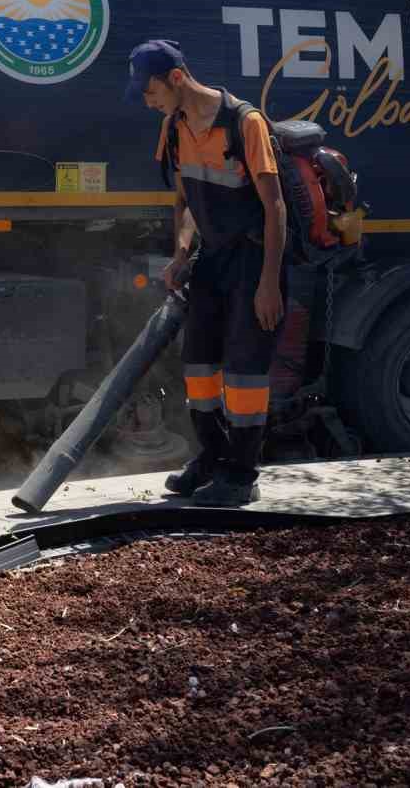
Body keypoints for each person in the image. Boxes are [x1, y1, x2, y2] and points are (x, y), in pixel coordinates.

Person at [127, 39, 287, 506]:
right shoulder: (173, 128)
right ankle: (212, 456)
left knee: (243, 372)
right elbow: (187, 201)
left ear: (176, 78)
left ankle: (241, 476)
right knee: (197, 364)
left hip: (254, 260)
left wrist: (269, 283)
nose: (146, 100)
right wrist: (180, 254)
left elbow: (275, 207)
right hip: (212, 259)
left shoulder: (245, 123)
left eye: (150, 90)